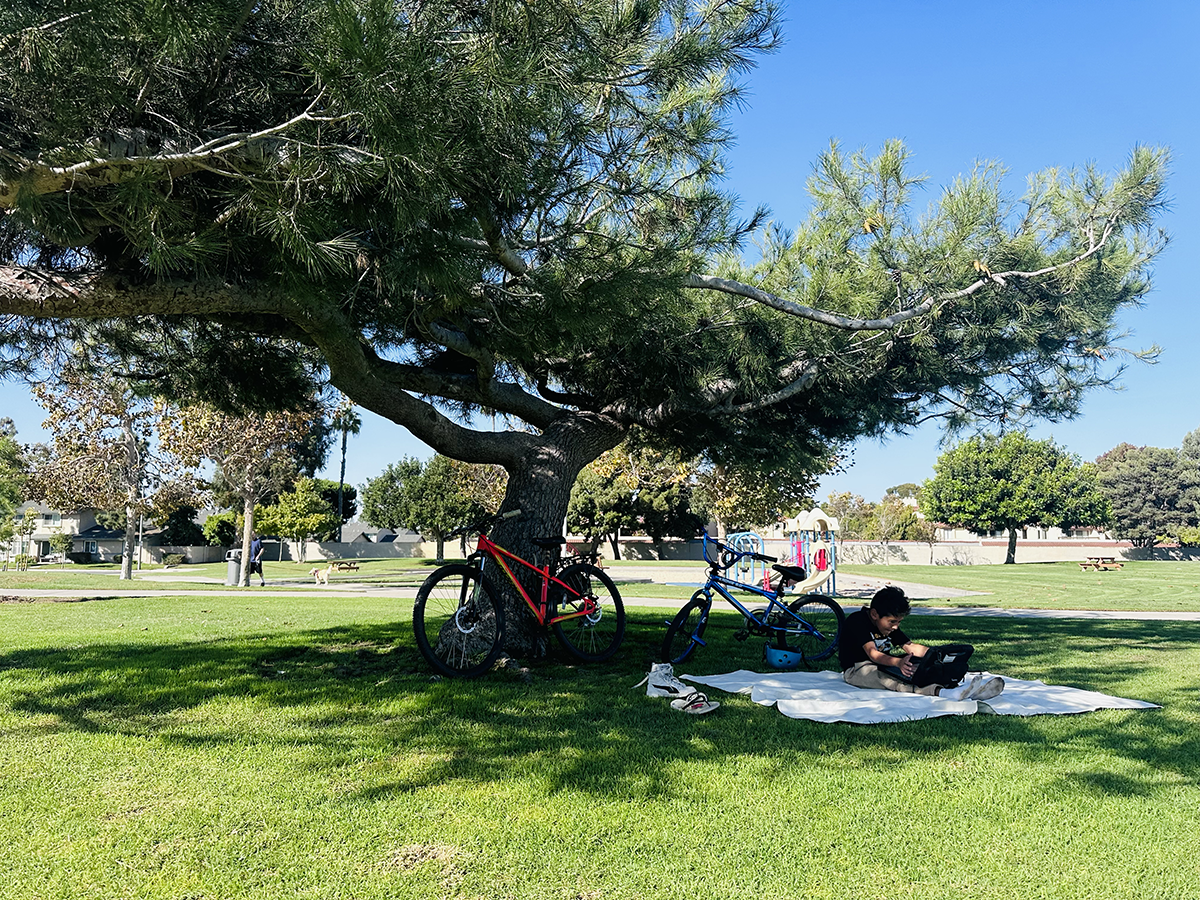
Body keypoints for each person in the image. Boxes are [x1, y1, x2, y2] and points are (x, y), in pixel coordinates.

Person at [839, 585, 1004, 701]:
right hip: (857, 669)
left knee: (919, 667)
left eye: (899, 622)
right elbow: (873, 654)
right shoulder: (858, 621)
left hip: (883, 664)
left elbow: (910, 647)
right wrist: (898, 662)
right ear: (875, 614)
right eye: (892, 622)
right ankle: (947, 694)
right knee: (892, 681)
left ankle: (964, 691)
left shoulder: (889, 627)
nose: (896, 627)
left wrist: (935, 655)